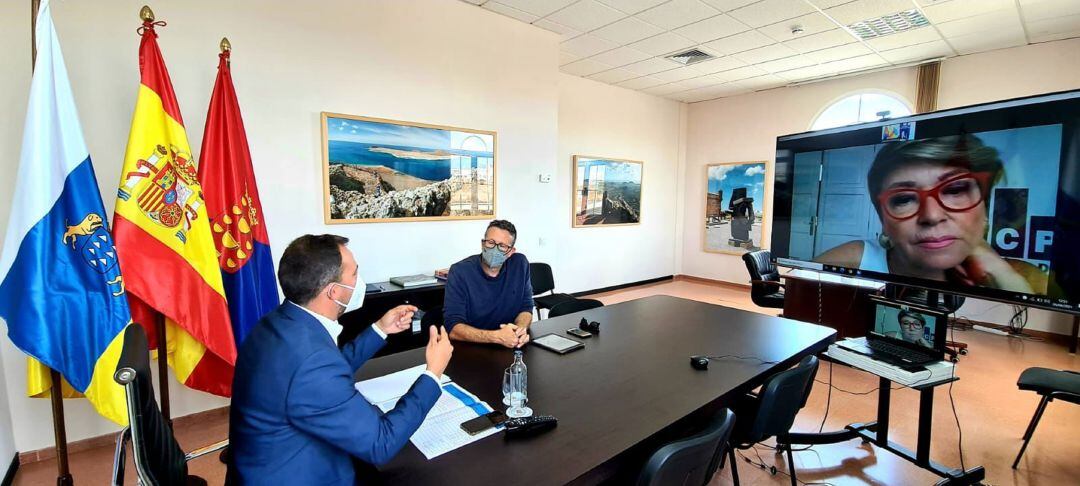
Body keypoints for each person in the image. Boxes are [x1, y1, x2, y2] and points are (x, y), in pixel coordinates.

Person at [229, 234, 453, 484]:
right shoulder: (311, 360)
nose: (360, 282)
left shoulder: (279, 323)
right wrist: (433, 372)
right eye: (355, 274)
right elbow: (381, 442)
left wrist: (380, 328)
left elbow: (326, 372)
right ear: (333, 291)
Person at [816, 135, 1043, 293]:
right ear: (883, 219)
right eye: (904, 199)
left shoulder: (1026, 276)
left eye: (955, 190)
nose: (932, 216)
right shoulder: (855, 258)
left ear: (984, 207)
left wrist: (1001, 272)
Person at [443, 220, 534, 348]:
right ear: (482, 244)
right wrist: (497, 337)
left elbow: (526, 307)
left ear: (511, 252)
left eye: (502, 246)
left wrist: (519, 330)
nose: (494, 249)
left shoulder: (520, 264)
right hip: (471, 349)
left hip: (510, 345)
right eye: (491, 242)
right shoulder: (460, 272)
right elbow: (452, 328)